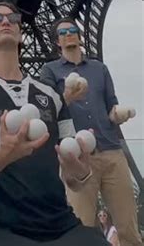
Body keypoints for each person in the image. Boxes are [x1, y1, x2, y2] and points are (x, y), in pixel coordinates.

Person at [0, 0, 107, 245]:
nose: (6, 22)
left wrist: (81, 170)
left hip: (62, 226)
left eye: (13, 19)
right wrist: (4, 155)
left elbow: (73, 180)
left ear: (21, 33)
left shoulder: (51, 94)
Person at [40, 17, 141, 246]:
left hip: (112, 151)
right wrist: (66, 96)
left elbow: (110, 109)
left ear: (80, 36)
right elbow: (46, 111)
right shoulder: (49, 71)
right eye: (63, 32)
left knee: (128, 228)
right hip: (77, 157)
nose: (69, 34)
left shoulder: (99, 69)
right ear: (57, 41)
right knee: (81, 228)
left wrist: (120, 114)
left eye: (73, 30)